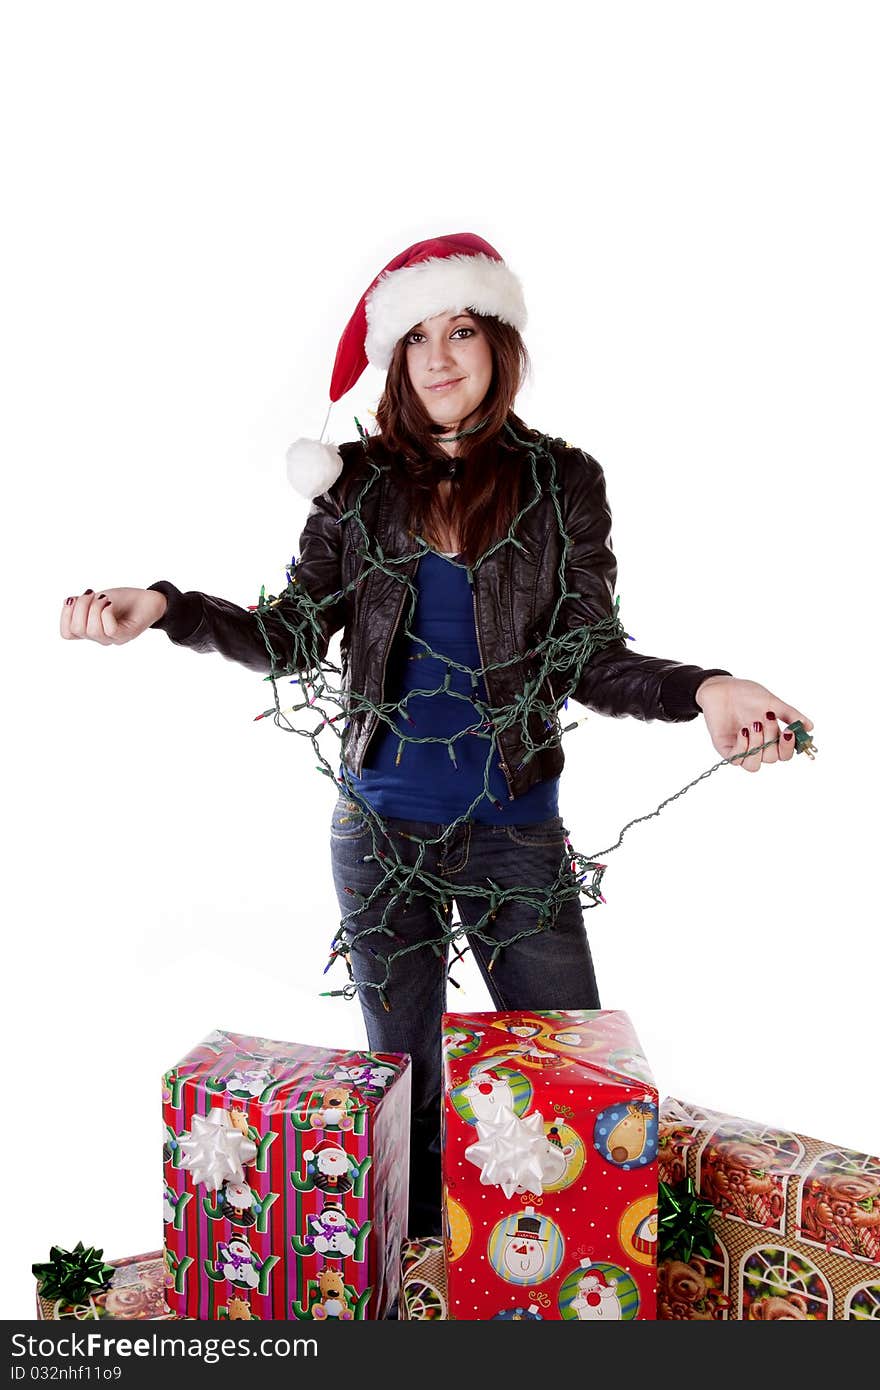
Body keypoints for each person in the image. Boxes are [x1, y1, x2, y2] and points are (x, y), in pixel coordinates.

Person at [59, 232, 812, 1236]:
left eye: (461, 329)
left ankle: (570, 1278)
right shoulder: (357, 485)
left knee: (571, 1087)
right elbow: (289, 635)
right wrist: (164, 604)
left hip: (516, 838)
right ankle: (419, 1280)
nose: (441, 356)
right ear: (396, 361)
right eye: (416, 338)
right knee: (402, 1096)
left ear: (499, 343)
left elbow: (587, 655)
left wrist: (711, 686)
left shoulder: (561, 484)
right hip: (379, 841)